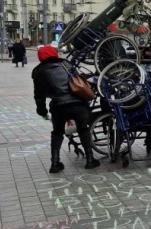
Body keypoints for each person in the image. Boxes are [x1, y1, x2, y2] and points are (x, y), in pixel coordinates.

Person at [32, 45, 100, 173]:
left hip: (58, 107)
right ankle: (90, 160)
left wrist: (42, 111)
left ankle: (55, 163)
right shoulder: (66, 64)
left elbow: (39, 96)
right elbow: (78, 80)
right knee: (83, 129)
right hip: (78, 104)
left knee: (57, 132)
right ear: (55, 54)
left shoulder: (38, 72)